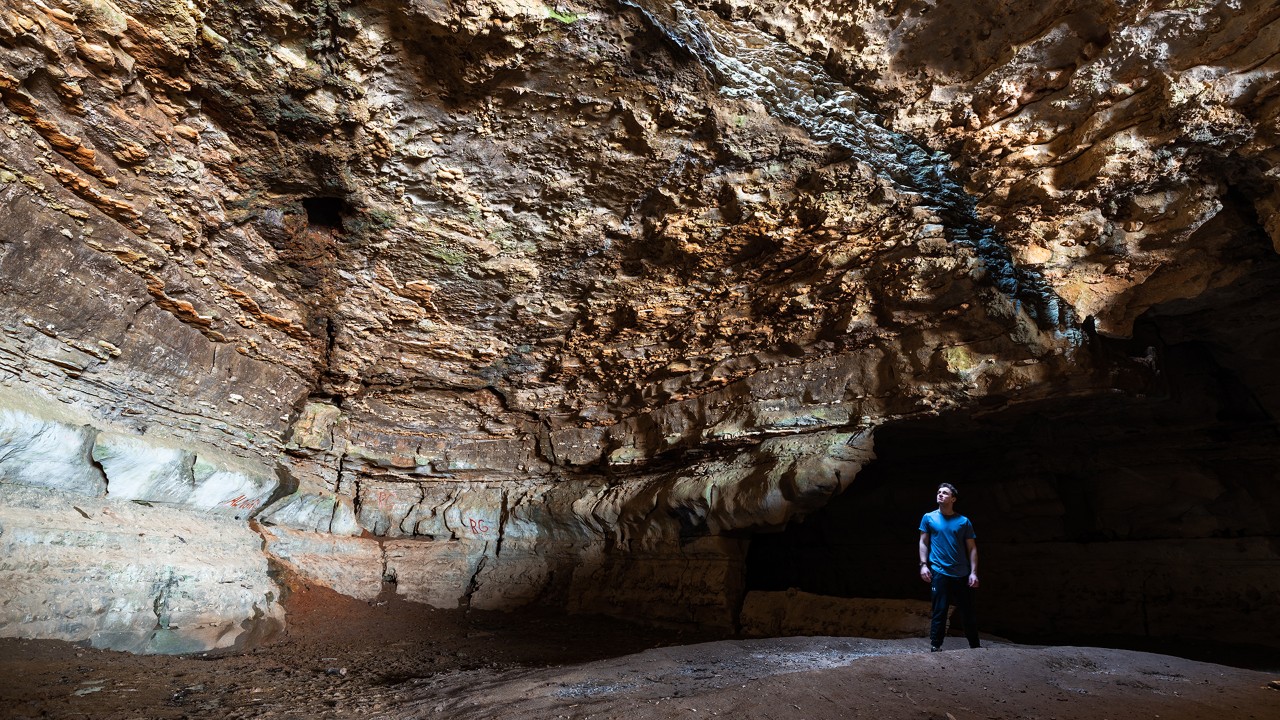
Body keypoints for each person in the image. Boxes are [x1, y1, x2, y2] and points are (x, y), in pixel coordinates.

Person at [918, 482, 980, 651]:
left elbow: (972, 548)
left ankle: (975, 646)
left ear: (953, 499)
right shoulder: (929, 518)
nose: (940, 494)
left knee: (967, 611)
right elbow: (923, 542)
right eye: (939, 492)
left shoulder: (963, 521)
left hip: (961, 572)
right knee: (939, 610)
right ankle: (935, 646)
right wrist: (924, 565)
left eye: (945, 493)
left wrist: (973, 573)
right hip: (939, 571)